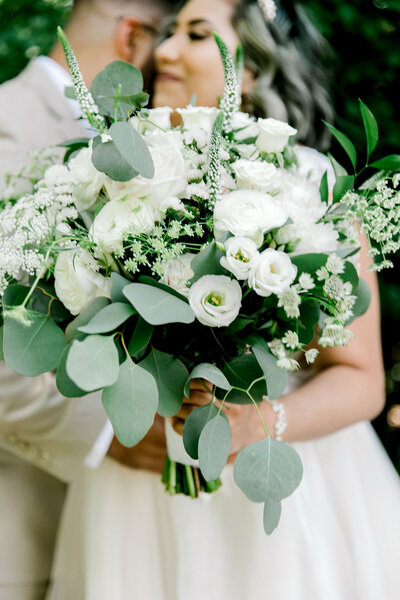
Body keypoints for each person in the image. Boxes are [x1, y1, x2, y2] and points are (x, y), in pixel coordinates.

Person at [44, 0, 399, 598]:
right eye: (169, 31)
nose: (165, 51)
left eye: (197, 34)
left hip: (278, 483)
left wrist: (247, 427)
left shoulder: (314, 190)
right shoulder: (110, 181)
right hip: (138, 478)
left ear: (256, 66)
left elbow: (363, 378)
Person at [0, 1, 175, 599]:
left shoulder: (140, 146)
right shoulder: (9, 122)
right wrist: (109, 433)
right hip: (21, 532)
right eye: (167, 39)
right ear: (134, 39)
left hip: (121, 535)